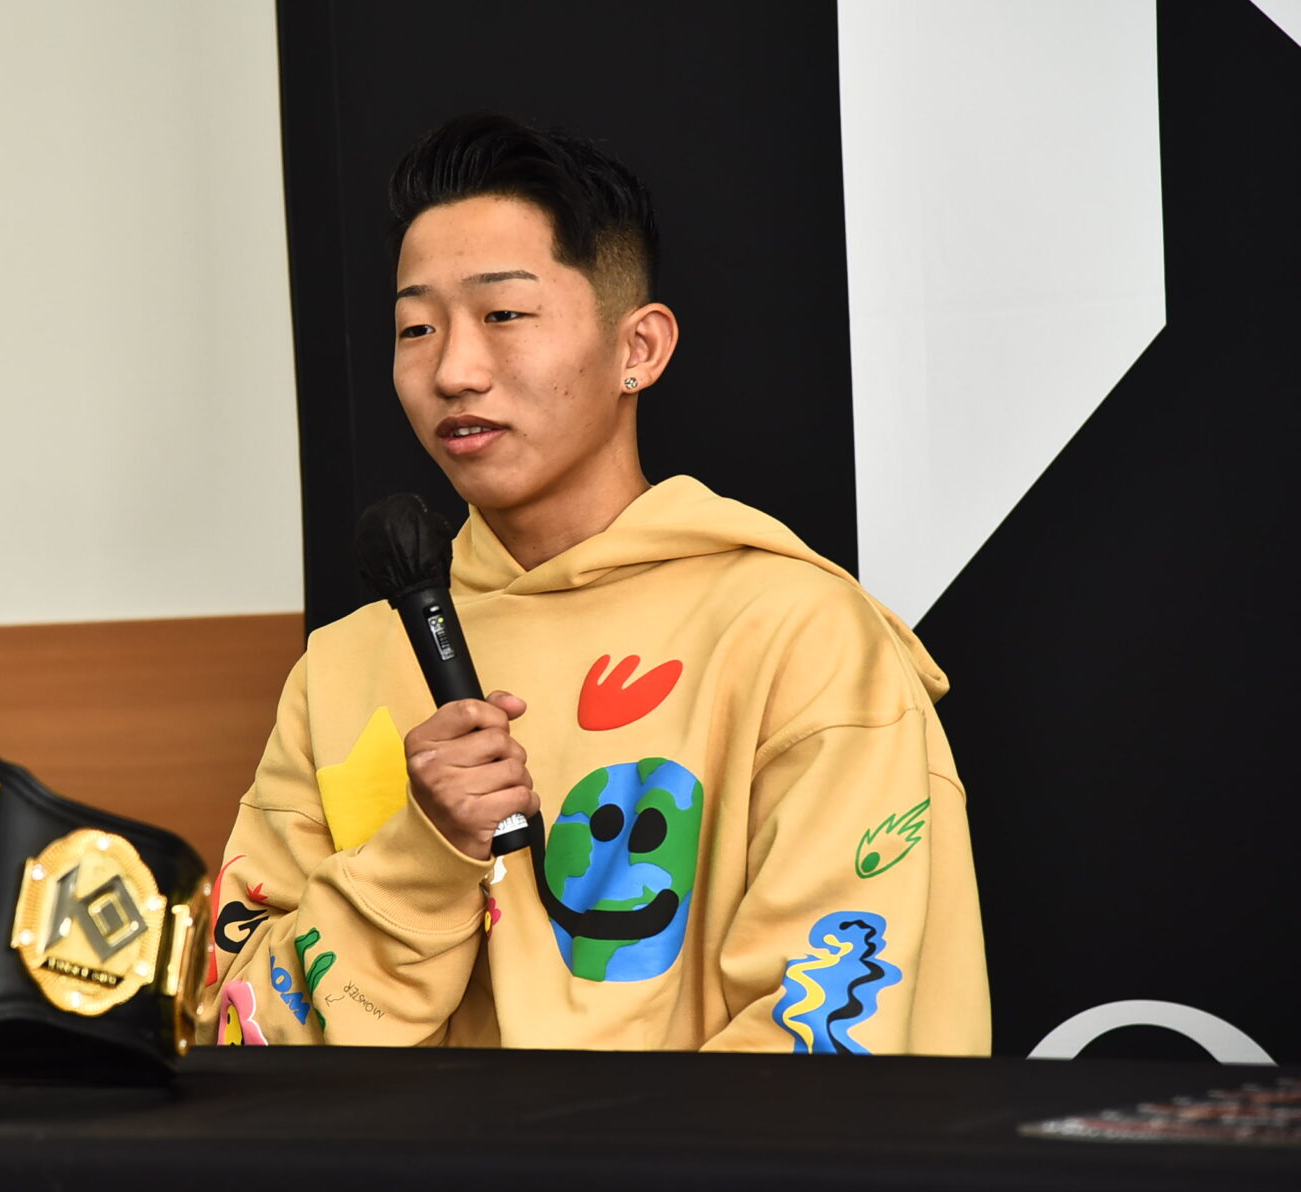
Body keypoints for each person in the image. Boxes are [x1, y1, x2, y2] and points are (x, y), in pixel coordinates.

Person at [198, 113, 987, 1053]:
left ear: (638, 349)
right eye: (416, 327)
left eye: (503, 315)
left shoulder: (797, 634)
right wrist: (421, 854)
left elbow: (832, 1034)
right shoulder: (341, 669)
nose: (453, 369)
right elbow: (235, 1030)